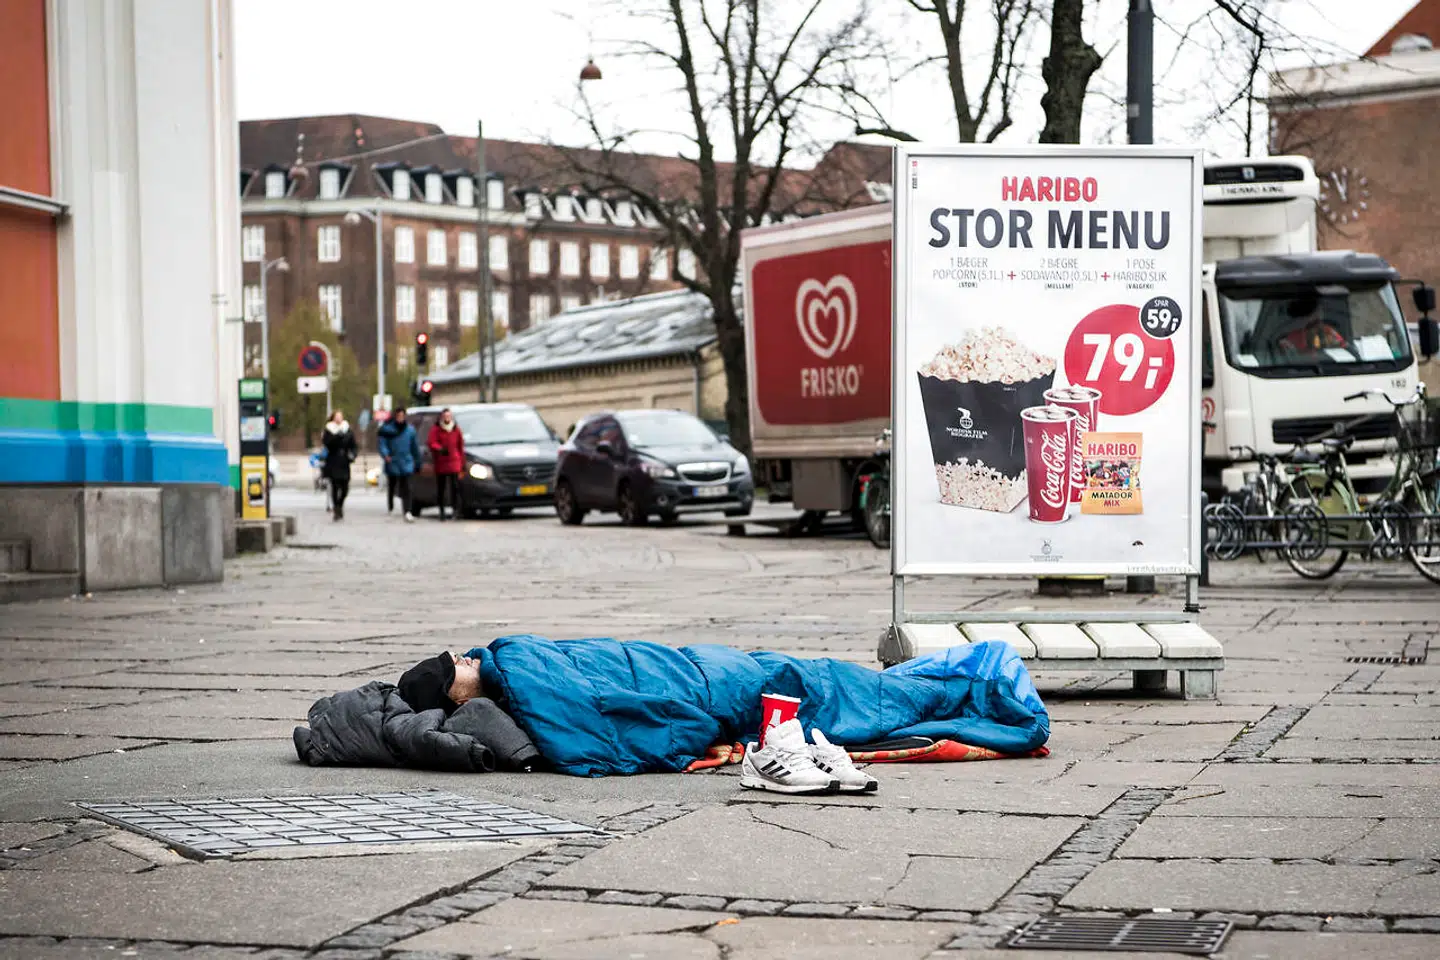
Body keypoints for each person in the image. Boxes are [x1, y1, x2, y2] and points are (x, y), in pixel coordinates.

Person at [377, 408, 421, 522]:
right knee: (392, 485)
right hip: (393, 460)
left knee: (407, 487)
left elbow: (414, 447)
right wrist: (386, 455)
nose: (401, 418)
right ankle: (391, 506)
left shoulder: (410, 430)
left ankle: (407, 511)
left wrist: (417, 461)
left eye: (402, 416)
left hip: (406, 461)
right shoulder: (387, 430)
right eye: (399, 416)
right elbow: (382, 444)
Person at [427, 407, 465, 521]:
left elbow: (460, 446)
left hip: (454, 461)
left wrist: (462, 463)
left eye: (449, 416)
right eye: (445, 416)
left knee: (455, 488)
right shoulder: (436, 429)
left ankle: (455, 510)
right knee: (441, 488)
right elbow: (431, 442)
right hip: (442, 462)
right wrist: (440, 449)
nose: (447, 418)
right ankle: (442, 511)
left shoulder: (456, 429)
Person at [320, 409, 358, 520]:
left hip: (344, 461)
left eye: (340, 416)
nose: (338, 418)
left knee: (345, 487)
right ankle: (336, 509)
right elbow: (327, 443)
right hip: (333, 460)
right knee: (335, 486)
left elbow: (354, 445)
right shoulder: (329, 430)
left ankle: (340, 505)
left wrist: (353, 455)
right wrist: (337, 436)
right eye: (336, 416)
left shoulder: (347, 429)